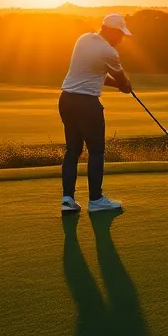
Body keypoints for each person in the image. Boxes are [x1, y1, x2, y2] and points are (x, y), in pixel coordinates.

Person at [59, 13, 134, 213]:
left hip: (66, 100)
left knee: (72, 151)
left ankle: (67, 199)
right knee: (97, 151)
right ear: (112, 31)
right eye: (120, 34)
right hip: (87, 104)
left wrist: (119, 84)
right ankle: (96, 200)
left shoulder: (83, 39)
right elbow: (121, 78)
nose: (121, 39)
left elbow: (95, 73)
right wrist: (125, 85)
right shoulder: (109, 51)